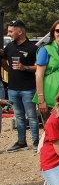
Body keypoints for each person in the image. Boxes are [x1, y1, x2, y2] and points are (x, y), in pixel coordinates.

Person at [2, 20, 39, 152]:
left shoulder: (33, 48)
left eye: (11, 31)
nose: (9, 34)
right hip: (12, 88)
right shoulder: (10, 46)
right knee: (18, 116)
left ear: (20, 31)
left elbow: (40, 68)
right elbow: (3, 57)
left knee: (32, 116)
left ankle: (36, 143)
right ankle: (21, 142)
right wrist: (7, 69)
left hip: (28, 89)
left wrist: (25, 67)